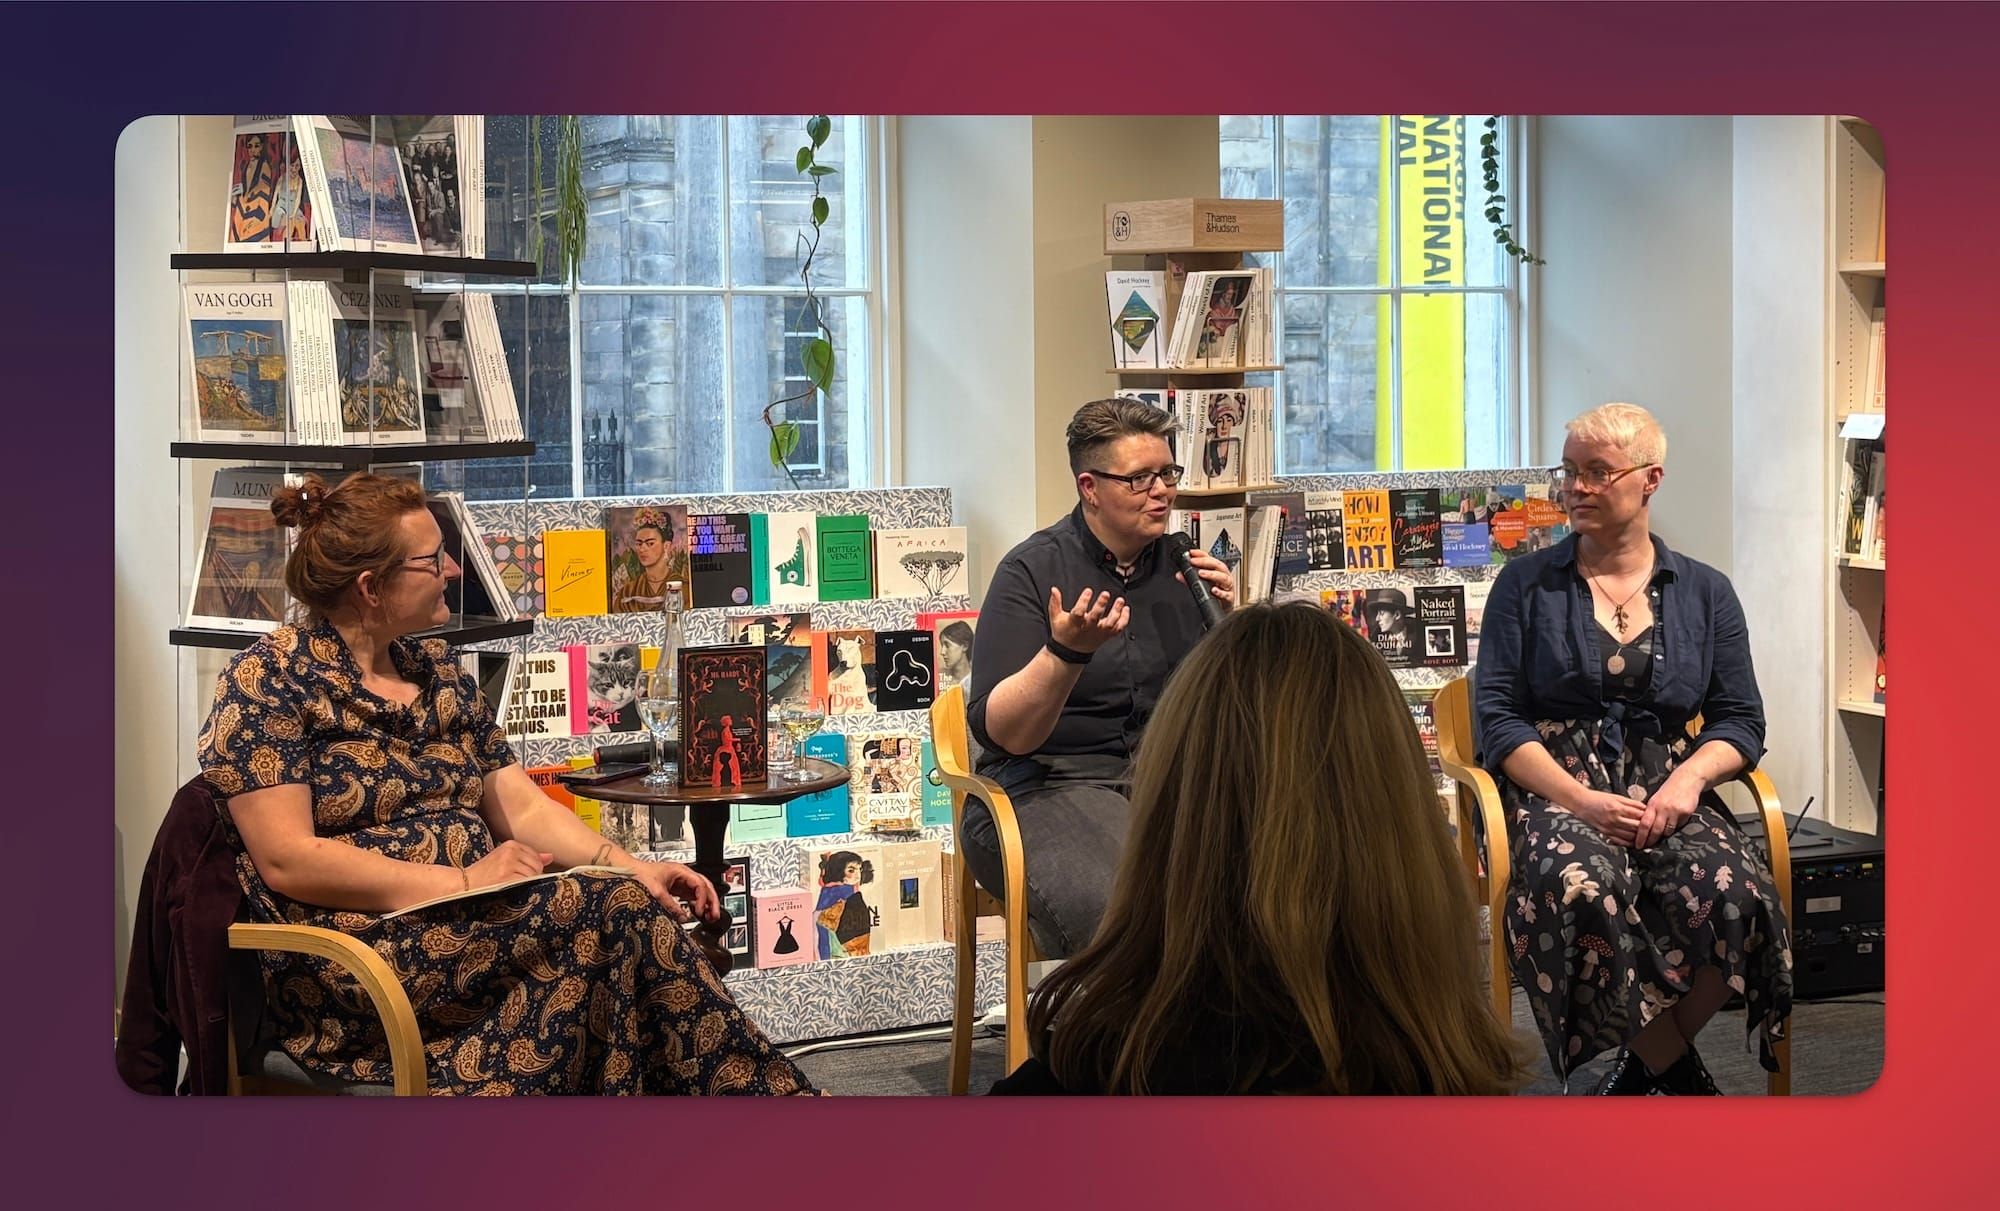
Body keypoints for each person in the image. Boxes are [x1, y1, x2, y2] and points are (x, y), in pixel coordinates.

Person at [196, 471, 817, 1095]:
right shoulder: (269, 682)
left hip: (482, 927)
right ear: (370, 587)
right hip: (365, 955)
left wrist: (630, 866)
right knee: (605, 915)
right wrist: (464, 882)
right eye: (433, 559)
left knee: (622, 910)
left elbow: (519, 804)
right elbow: (287, 860)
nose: (454, 571)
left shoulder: (434, 669)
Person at [988, 603, 1524, 1095]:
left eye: (1168, 486)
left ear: (1169, 811)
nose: (1157, 492)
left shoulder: (1087, 1082)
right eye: (1138, 485)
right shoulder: (1463, 1102)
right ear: (1403, 823)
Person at [1474, 402, 1792, 1095]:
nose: (1575, 487)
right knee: (1585, 885)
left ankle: (1643, 1066)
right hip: (1555, 789)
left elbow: (1741, 719)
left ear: (1650, 480)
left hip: (1669, 790)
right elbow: (1497, 722)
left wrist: (1686, 783)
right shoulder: (1523, 587)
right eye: (1569, 471)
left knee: (1738, 892)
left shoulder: (1707, 593)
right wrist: (1582, 800)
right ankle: (1669, 1069)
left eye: (1597, 472)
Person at [966, 397, 1236, 957]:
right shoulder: (1031, 571)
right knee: (1126, 908)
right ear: (1089, 487)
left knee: (1283, 880)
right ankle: (1105, 1044)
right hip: (1045, 788)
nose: (1161, 491)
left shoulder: (1189, 570)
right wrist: (1066, 652)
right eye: (1139, 479)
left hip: (1167, 786)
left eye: (1167, 473)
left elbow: (1230, 713)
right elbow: (1004, 735)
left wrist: (1232, 627)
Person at [609, 508, 685, 613]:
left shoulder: (683, 587)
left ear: (666, 546)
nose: (642, 549)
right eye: (639, 544)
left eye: (650, 543)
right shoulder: (628, 591)